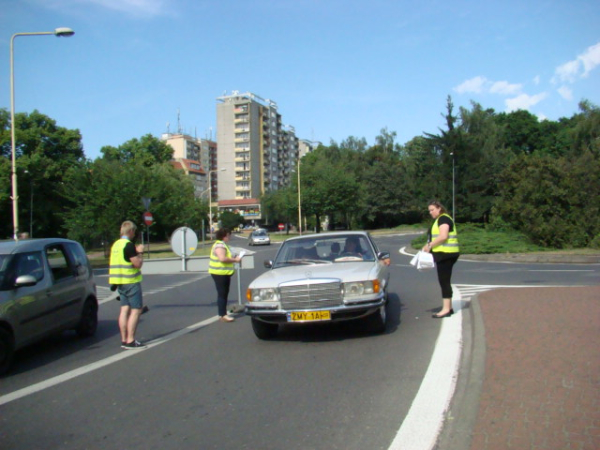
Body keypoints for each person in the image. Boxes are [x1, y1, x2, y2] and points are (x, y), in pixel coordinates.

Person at [109, 221, 146, 349]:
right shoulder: (128, 245)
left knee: (124, 310)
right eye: (134, 231)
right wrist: (140, 252)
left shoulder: (116, 245)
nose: (134, 234)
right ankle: (131, 340)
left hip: (119, 282)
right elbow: (137, 264)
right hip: (131, 281)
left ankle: (124, 340)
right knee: (136, 310)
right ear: (130, 231)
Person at [422, 200, 460, 318]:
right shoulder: (440, 219)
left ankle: (446, 309)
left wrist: (429, 245)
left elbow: (443, 236)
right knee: (445, 281)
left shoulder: (443, 219)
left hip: (446, 254)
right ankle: (449, 307)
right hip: (445, 254)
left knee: (444, 281)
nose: (430, 212)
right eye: (429, 210)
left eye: (432, 210)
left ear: (439, 208)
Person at [208, 228, 242, 322]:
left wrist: (232, 257)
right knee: (222, 294)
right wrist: (235, 260)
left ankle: (222, 313)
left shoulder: (222, 245)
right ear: (225, 236)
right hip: (220, 273)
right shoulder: (220, 245)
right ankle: (223, 314)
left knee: (223, 293)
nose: (229, 237)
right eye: (228, 235)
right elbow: (222, 258)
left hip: (222, 272)